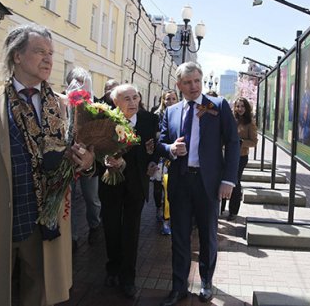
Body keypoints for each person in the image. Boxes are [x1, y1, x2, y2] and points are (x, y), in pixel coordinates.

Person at [0, 24, 95, 306]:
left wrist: (86, 160)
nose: (48, 59)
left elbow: (85, 157)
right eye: (39, 51)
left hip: (45, 223)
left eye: (51, 53)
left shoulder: (65, 106)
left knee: (39, 294)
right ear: (17, 56)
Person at [158, 62, 239, 305]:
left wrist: (228, 180)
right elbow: (161, 142)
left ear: (202, 81)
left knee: (208, 236)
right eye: (187, 82)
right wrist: (170, 149)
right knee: (179, 237)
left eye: (196, 81)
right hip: (180, 182)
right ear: (178, 85)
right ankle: (179, 287)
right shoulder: (171, 112)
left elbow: (233, 143)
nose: (193, 86)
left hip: (209, 183)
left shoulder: (218, 106)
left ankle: (206, 282)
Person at [97, 84, 158, 298]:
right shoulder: (104, 122)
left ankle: (128, 278)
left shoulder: (150, 120)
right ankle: (113, 268)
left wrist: (152, 162)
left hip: (136, 184)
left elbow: (153, 148)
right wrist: (105, 160)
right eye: (127, 99)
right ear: (116, 102)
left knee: (131, 231)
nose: (133, 102)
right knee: (111, 228)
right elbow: (95, 151)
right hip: (110, 184)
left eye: (135, 97)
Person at [65, 67, 101, 252]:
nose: (82, 93)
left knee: (91, 198)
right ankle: (71, 238)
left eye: (85, 89)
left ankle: (95, 226)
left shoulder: (94, 109)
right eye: (78, 87)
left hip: (88, 162)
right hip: (65, 163)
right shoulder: (60, 104)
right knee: (67, 201)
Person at [220, 97, 258, 221]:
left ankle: (233, 211)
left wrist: (240, 142)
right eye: (238, 106)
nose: (240, 109)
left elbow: (254, 142)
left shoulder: (250, 123)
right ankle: (221, 208)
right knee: (223, 180)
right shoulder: (231, 120)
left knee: (234, 182)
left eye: (242, 106)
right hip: (227, 155)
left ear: (246, 108)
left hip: (241, 156)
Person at [152, 90, 179, 235]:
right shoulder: (156, 115)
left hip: (173, 157)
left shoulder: (179, 114)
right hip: (159, 156)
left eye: (174, 98)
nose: (171, 101)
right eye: (168, 98)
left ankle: (167, 218)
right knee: (158, 187)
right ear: (163, 100)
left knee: (169, 188)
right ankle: (158, 207)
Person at [298, 60, 310, 145]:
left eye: (307, 75)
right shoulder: (303, 92)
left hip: (305, 127)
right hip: (302, 125)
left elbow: (307, 113)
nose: (305, 78)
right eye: (305, 74)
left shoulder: (308, 93)